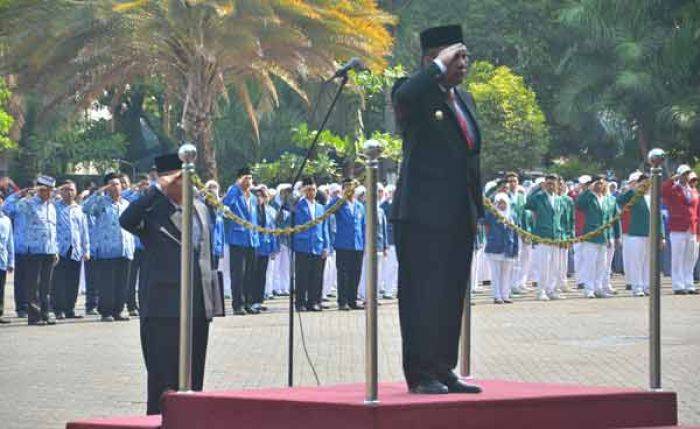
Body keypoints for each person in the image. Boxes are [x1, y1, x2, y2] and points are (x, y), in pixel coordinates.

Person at [391, 24, 483, 394]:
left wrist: (478, 210)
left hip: (459, 214)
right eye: (455, 56)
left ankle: (444, 366)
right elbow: (407, 98)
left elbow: (471, 157)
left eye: (464, 56)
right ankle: (420, 371)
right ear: (432, 59)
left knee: (450, 294)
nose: (463, 63)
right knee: (421, 294)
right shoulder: (411, 92)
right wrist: (435, 70)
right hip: (422, 216)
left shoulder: (464, 99)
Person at [120, 153, 224, 415]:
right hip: (164, 307)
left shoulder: (200, 206)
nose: (186, 184)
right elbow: (126, 220)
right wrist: (158, 189)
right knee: (162, 379)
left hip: (198, 305)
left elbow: (205, 255)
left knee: (193, 378)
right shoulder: (153, 209)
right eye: (179, 179)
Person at [4, 175, 59, 325]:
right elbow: (6, 208)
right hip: (32, 250)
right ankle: (34, 316)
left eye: (51, 190)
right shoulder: (26, 203)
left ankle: (45, 313)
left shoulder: (52, 206)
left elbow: (53, 230)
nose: (49, 193)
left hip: (49, 250)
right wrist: (20, 193)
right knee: (33, 285)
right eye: (45, 190)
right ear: (39, 189)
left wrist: (55, 250)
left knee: (46, 286)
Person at [83, 173, 135, 321]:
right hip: (107, 250)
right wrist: (97, 193)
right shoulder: (101, 203)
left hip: (124, 248)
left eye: (117, 184)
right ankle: (106, 312)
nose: (115, 187)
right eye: (111, 184)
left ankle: (118, 310)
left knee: (122, 282)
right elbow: (85, 209)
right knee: (107, 283)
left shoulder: (126, 204)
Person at [617, 172, 661, 296]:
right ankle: (637, 287)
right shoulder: (634, 195)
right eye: (644, 182)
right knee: (636, 261)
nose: (647, 184)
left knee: (649, 262)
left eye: (649, 182)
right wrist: (633, 189)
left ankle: (647, 286)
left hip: (650, 234)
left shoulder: (654, 196)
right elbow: (619, 200)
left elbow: (659, 218)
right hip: (636, 233)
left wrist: (661, 235)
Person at [222, 167, 259, 315]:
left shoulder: (254, 198)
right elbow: (227, 205)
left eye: (250, 178)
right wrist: (236, 187)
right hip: (238, 239)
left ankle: (249, 302)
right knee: (239, 273)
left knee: (250, 273)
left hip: (252, 239)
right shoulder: (234, 193)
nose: (248, 181)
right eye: (245, 178)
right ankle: (238, 304)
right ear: (238, 179)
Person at [576, 175, 619, 298]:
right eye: (597, 183)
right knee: (590, 263)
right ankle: (589, 289)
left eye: (602, 183)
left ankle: (598, 287)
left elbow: (609, 218)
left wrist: (611, 236)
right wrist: (587, 190)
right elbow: (579, 204)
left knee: (602, 263)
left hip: (604, 236)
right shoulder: (589, 197)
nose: (600, 186)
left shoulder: (606, 198)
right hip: (591, 234)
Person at [52, 180, 90, 319]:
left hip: (75, 249)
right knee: (59, 280)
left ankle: (70, 309)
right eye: (65, 189)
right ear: (61, 191)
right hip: (60, 249)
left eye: (71, 189)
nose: (68, 192)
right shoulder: (54, 207)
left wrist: (86, 250)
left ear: (76, 192)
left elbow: (84, 231)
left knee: (73, 281)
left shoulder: (79, 209)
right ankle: (58, 309)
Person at [525, 174, 565, 301]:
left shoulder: (559, 199)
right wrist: (537, 188)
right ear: (544, 184)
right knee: (544, 265)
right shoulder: (538, 197)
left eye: (553, 183)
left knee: (555, 265)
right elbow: (528, 204)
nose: (551, 186)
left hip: (556, 235)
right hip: (543, 235)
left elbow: (561, 218)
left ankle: (551, 289)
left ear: (558, 185)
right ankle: (541, 290)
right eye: (548, 183)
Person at [292, 177, 329, 312]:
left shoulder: (320, 207)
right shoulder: (298, 206)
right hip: (303, 245)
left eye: (313, 189)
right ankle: (300, 302)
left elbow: (324, 227)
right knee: (302, 276)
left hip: (317, 245)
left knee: (317, 276)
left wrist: (326, 246)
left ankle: (314, 301)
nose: (311, 192)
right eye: (308, 190)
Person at [662, 165, 699, 295]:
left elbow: (697, 210)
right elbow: (663, 190)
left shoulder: (693, 190)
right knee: (678, 257)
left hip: (692, 228)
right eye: (683, 174)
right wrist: (672, 179)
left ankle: (689, 284)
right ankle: (678, 285)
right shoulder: (673, 189)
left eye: (687, 174)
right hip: (678, 227)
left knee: (690, 257)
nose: (686, 176)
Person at [330, 178, 365, 311]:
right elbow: (328, 210)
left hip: (357, 244)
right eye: (347, 188)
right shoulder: (340, 204)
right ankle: (342, 301)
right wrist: (339, 199)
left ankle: (353, 300)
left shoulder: (360, 206)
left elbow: (363, 226)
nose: (350, 190)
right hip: (343, 244)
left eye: (352, 188)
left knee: (355, 273)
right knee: (343, 274)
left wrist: (364, 244)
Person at [485, 193, 519, 304]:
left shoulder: (512, 215)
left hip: (508, 247)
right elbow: (483, 222)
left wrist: (515, 248)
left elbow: (515, 232)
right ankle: (497, 296)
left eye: (504, 203)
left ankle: (505, 295)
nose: (502, 205)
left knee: (506, 273)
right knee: (496, 273)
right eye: (499, 202)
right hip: (495, 246)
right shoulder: (492, 214)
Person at [251, 185, 278, 312]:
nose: (261, 199)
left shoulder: (271, 210)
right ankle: (251, 300)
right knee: (253, 273)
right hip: (255, 245)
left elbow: (273, 230)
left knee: (262, 274)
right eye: (258, 196)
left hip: (266, 245)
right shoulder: (252, 210)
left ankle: (259, 300)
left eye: (263, 196)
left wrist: (274, 248)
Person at [0, 195, 14, 324]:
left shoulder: (6, 220)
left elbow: (10, 242)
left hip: (1, 260)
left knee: (0, 289)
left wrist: (11, 262)